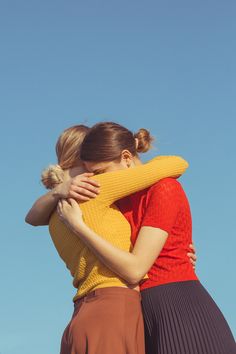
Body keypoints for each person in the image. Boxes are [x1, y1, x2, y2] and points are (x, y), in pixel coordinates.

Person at [57, 122, 236, 354]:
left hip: (178, 306)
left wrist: (79, 227)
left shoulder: (164, 189)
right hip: (143, 313)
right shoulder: (116, 201)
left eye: (100, 173)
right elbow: (34, 216)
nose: (97, 181)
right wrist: (59, 191)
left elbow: (135, 270)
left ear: (126, 157)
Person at [25, 123, 196, 354]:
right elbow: (176, 164)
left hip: (81, 315)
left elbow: (31, 218)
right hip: (114, 309)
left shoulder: (54, 210)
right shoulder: (97, 188)